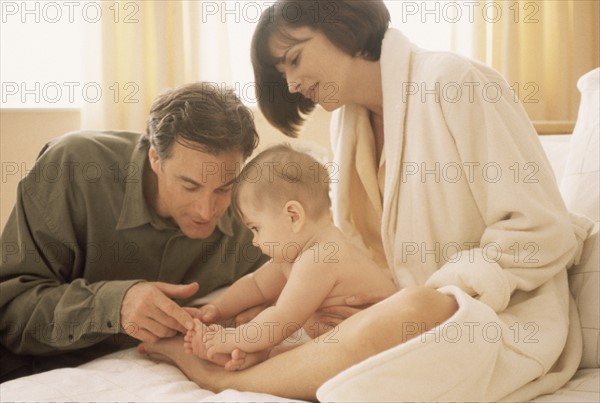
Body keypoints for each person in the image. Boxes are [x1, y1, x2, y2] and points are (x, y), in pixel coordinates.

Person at [140, 1, 592, 401]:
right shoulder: (349, 125)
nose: (293, 84)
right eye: (283, 75)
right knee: (272, 315)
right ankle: (270, 362)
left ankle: (222, 383)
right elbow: (361, 251)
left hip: (493, 316)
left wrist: (430, 293)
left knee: (411, 311)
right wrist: (345, 304)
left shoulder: (457, 83)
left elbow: (543, 232)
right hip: (393, 309)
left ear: (345, 25)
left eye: (294, 60)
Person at [0, 82, 269, 382]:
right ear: (156, 158)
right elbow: (10, 314)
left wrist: (265, 310)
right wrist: (115, 304)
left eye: (223, 188)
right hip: (37, 373)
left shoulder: (251, 209)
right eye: (189, 186)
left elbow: (290, 278)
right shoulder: (72, 168)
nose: (207, 210)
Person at [183, 144, 397, 370]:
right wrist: (216, 309)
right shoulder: (298, 253)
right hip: (339, 343)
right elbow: (256, 285)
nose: (254, 241)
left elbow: (281, 319)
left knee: (284, 343)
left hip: (378, 347)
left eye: (256, 228)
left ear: (293, 216)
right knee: (289, 347)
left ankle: (259, 355)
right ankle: (259, 355)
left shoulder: (321, 256)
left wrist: (229, 338)